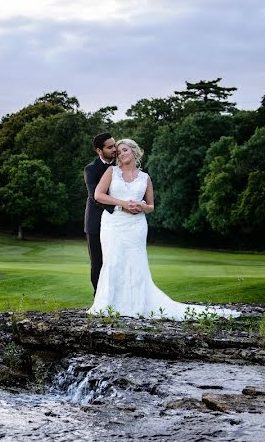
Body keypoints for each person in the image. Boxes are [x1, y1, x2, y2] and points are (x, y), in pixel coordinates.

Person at [87, 139, 239, 320]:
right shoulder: (112, 171)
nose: (122, 154)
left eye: (125, 150)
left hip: (136, 226)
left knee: (136, 263)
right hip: (113, 223)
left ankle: (137, 306)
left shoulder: (145, 177)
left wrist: (142, 207)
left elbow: (151, 206)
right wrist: (123, 204)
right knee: (113, 261)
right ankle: (109, 305)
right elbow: (98, 195)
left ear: (134, 151)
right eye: (119, 152)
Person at [83, 133, 119, 295]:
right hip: (95, 222)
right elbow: (95, 196)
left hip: (120, 223)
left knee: (117, 261)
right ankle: (99, 297)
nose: (114, 149)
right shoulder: (91, 169)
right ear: (99, 150)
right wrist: (120, 208)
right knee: (97, 261)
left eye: (115, 145)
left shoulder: (122, 165)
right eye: (110, 147)